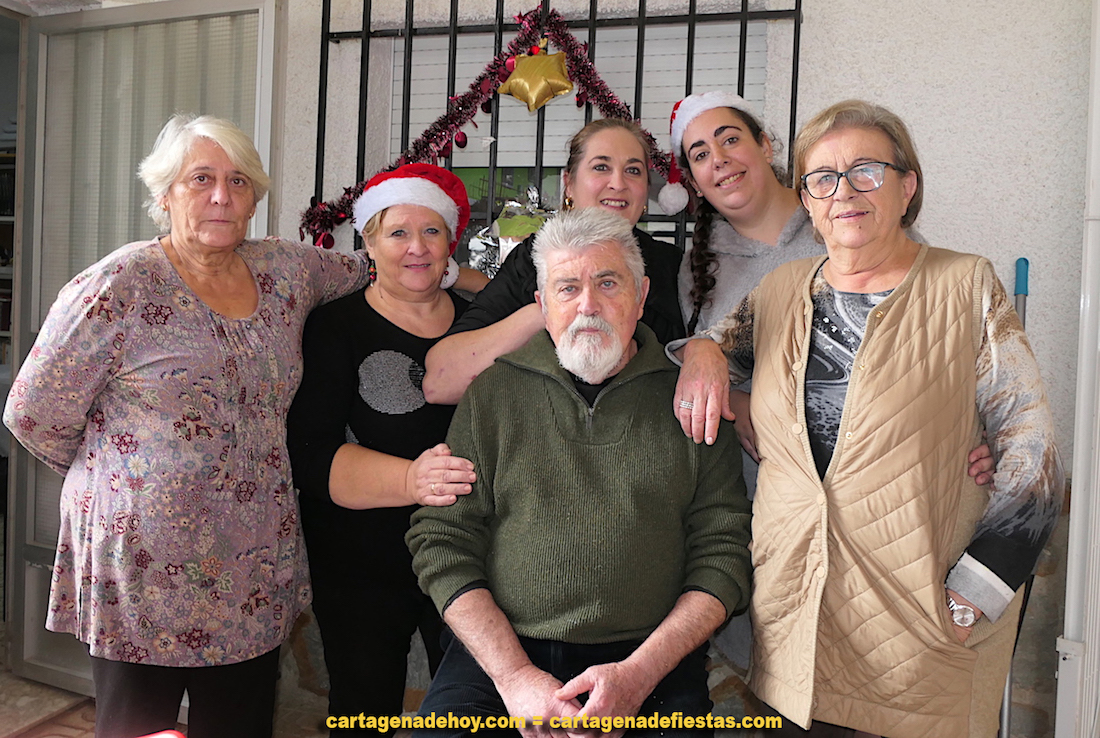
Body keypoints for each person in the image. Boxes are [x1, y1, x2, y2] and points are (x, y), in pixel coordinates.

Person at [670, 100, 1064, 737]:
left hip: (920, 638)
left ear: (906, 187)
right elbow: (712, 349)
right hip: (795, 634)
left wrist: (974, 597)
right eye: (823, 178)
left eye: (866, 171)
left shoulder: (965, 286)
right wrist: (703, 353)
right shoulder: (779, 292)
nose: (844, 191)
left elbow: (1034, 455)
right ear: (807, 199)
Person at [2, 114, 373, 738]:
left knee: (240, 723)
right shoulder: (120, 284)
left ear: (254, 197)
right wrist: (124, 473)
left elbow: (383, 265)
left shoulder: (285, 270)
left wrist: (496, 283)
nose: (221, 196)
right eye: (201, 179)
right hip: (145, 563)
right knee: (140, 728)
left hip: (252, 560)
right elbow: (33, 412)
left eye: (238, 181)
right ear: (165, 193)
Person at [407, 208, 751, 737]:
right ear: (543, 305)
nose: (588, 304)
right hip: (503, 656)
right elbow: (442, 541)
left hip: (650, 660)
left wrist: (638, 675)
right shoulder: (493, 394)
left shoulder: (692, 398)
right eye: (568, 288)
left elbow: (723, 554)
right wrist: (515, 676)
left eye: (608, 283)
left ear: (641, 296)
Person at [286, 164, 478, 732]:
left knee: (470, 708)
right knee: (363, 709)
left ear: (450, 243)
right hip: (359, 562)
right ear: (369, 243)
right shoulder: (334, 327)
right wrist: (413, 480)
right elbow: (312, 454)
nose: (417, 247)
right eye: (398, 233)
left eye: (432, 231)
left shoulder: (479, 325)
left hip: (467, 556)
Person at [422, 117, 685, 405]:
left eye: (633, 170)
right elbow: (441, 383)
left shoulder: (672, 267)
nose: (618, 183)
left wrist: (700, 351)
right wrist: (550, 312)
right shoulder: (532, 260)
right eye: (601, 167)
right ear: (568, 183)